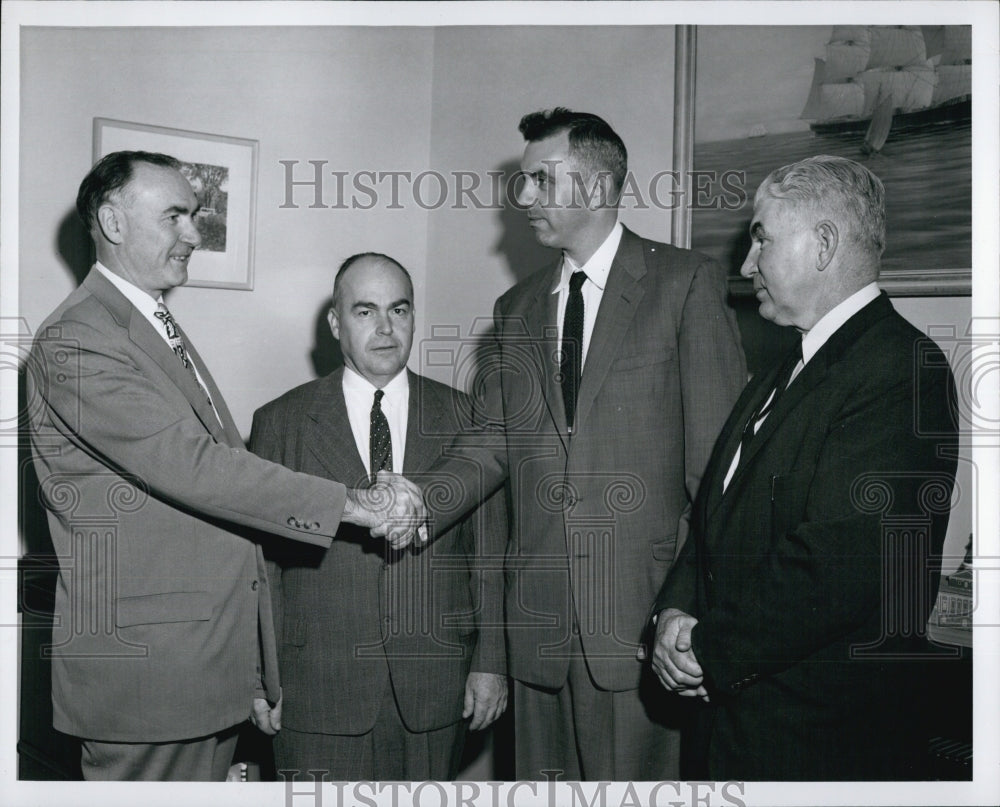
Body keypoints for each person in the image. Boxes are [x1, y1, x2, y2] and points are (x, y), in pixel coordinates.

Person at [25, 152, 425, 781]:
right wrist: (356, 503)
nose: (194, 233)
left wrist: (256, 666)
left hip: (198, 666)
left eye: (196, 215)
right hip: (150, 678)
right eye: (175, 216)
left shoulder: (147, 324)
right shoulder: (78, 338)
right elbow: (198, 468)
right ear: (112, 221)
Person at [419, 108, 747, 780]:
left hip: (642, 626)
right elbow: (491, 442)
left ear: (597, 188)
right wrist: (416, 501)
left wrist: (696, 608)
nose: (524, 196)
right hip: (537, 631)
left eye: (542, 179)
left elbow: (717, 474)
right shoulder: (516, 308)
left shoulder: (684, 283)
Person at [647, 155, 960, 780]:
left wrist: (705, 649)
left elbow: (840, 562)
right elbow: (713, 518)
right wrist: (673, 613)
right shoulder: (782, 369)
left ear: (823, 244)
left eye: (762, 239)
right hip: (737, 726)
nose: (746, 264)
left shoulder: (903, 369)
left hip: (819, 744)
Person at [249, 253, 508, 780]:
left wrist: (491, 663)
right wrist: (258, 678)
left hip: (436, 687)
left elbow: (490, 556)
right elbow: (261, 569)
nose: (386, 328)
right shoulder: (280, 422)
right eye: (365, 311)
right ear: (335, 323)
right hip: (317, 689)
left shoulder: (467, 418)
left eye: (399, 310)